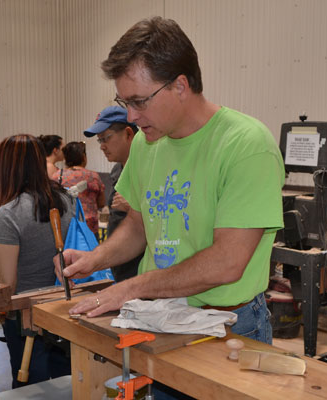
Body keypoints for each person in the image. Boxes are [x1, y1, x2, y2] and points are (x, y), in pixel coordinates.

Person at [60, 17, 284, 345]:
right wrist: (93, 258)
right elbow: (139, 226)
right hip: (160, 318)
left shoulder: (246, 145)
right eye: (125, 103)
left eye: (139, 101)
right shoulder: (144, 143)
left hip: (228, 326)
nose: (131, 117)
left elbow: (227, 263)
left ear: (180, 86)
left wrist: (132, 288)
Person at [0, 134, 74, 388]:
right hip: (64, 308)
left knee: (30, 388)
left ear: (7, 168)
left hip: (25, 317)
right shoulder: (67, 200)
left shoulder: (8, 214)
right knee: (67, 384)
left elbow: (7, 283)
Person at [83, 106, 143, 282]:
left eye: (106, 138)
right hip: (121, 269)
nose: (102, 146)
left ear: (128, 134)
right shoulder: (117, 171)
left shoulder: (150, 171)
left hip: (141, 273)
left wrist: (134, 208)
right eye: (99, 140)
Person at [52, 141, 105, 235]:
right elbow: (101, 203)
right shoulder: (93, 176)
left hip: (67, 228)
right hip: (89, 227)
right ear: (83, 157)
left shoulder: (57, 176)